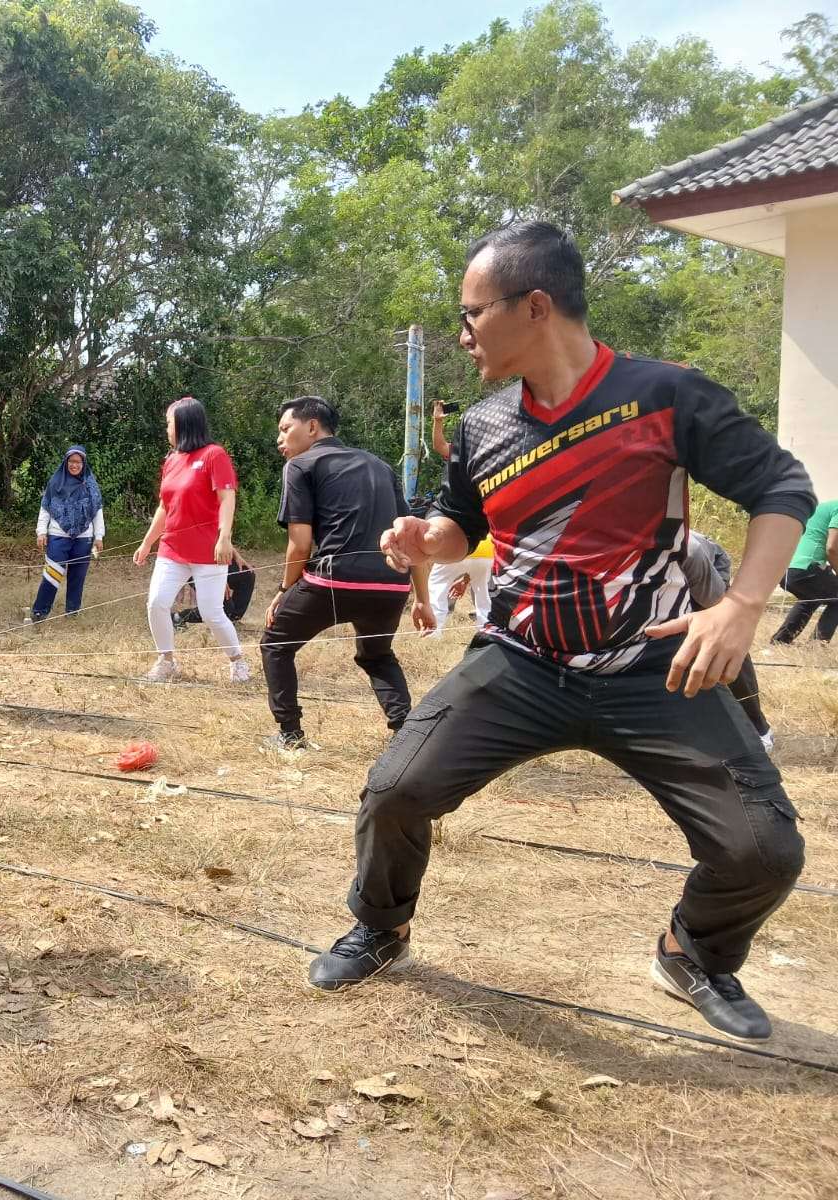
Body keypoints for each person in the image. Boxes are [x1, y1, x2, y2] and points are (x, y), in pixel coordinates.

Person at [306, 223, 812, 1047]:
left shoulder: (667, 396)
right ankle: (381, 927)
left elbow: (782, 487)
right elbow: (458, 524)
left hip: (652, 669)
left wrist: (742, 605)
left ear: (534, 306)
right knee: (395, 791)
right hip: (519, 663)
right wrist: (423, 540)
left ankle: (695, 953)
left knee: (765, 849)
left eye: (472, 315)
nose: (463, 335)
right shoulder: (481, 425)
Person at [260, 397, 431, 751]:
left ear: (312, 427)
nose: (280, 439)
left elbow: (300, 544)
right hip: (390, 584)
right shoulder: (381, 465)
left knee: (276, 643)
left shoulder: (300, 465)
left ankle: (290, 736)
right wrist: (422, 600)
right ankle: (408, 739)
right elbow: (410, 538)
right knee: (377, 655)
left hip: (333, 581)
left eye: (285, 429)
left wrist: (283, 590)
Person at [135, 399, 248, 684]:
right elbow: (164, 506)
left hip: (208, 551)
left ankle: (237, 661)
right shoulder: (171, 460)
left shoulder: (214, 455)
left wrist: (225, 538)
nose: (167, 429)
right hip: (172, 549)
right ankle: (166, 661)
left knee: (211, 613)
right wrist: (148, 542)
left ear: (184, 424)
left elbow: (226, 498)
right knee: (157, 603)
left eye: (169, 423)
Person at [681, 531, 774, 751]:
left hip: (707, 566)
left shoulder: (688, 550)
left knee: (720, 639)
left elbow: (720, 613)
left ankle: (758, 728)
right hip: (663, 578)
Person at [31, 445, 104, 622]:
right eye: (71, 461)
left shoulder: (90, 484)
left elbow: (97, 511)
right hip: (58, 536)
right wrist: (41, 532)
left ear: (83, 463)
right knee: (52, 574)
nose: (74, 465)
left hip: (84, 538)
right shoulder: (55, 483)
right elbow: (45, 508)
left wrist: (99, 537)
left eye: (78, 462)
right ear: (66, 462)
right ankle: (39, 612)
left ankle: (72, 613)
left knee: (77, 577)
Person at [768, 498, 838, 644]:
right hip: (806, 567)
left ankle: (781, 640)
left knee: (811, 597)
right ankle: (817, 645)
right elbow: (832, 548)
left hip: (785, 567)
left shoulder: (823, 507)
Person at [427, 534, 493, 632]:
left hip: (454, 548)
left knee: (437, 589)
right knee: (483, 598)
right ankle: (487, 631)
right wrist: (465, 580)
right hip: (486, 551)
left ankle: (433, 631)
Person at [172, 552, 256, 629]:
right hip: (195, 564)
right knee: (224, 607)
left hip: (214, 561)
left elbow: (219, 540)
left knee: (247, 574)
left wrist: (237, 556)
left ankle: (232, 619)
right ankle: (178, 617)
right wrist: (219, 577)